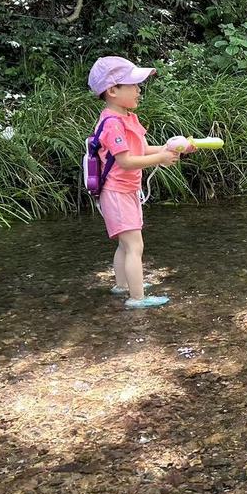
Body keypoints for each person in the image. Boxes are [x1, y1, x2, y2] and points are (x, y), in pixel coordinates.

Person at [87, 56, 180, 309]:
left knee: (125, 244)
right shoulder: (113, 123)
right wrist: (160, 158)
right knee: (134, 245)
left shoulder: (126, 117)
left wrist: (168, 148)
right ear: (113, 91)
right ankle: (137, 298)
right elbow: (125, 161)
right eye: (134, 85)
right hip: (116, 192)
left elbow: (141, 147)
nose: (139, 90)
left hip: (125, 191)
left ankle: (123, 285)